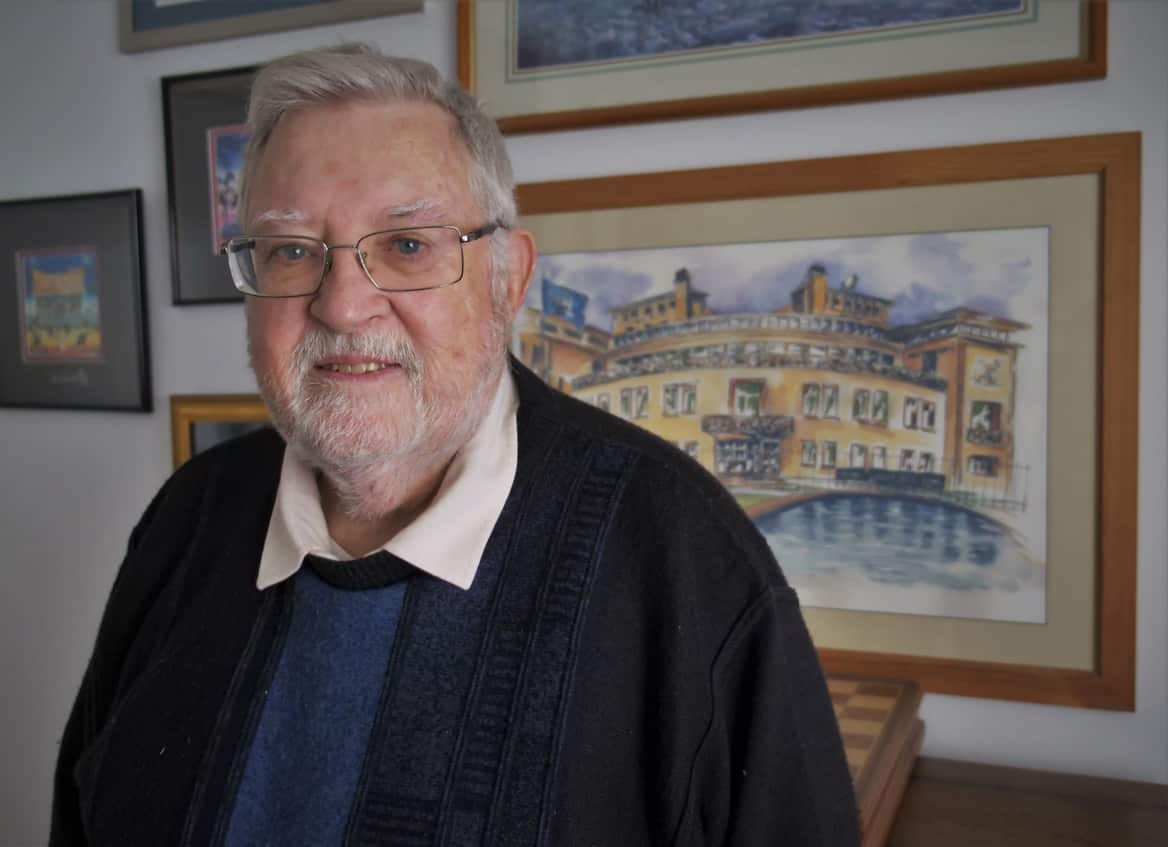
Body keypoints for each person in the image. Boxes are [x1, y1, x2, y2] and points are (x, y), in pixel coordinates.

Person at [50, 44, 858, 846]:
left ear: (508, 280)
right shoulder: (189, 517)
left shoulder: (686, 562)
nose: (343, 305)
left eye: (407, 246)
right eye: (292, 251)